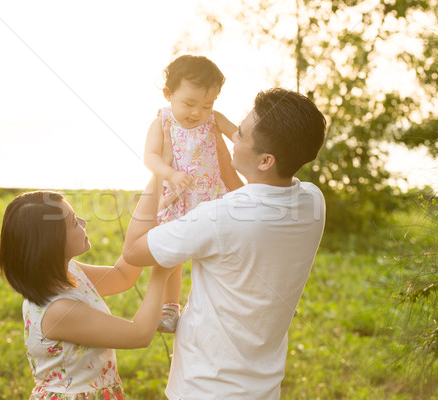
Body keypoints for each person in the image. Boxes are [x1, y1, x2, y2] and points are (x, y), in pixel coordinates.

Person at [124, 88, 327, 399]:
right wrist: (213, 135)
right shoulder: (312, 202)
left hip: (205, 388)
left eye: (241, 134)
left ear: (266, 160)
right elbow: (247, 193)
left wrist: (158, 171)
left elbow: (134, 251)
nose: (234, 137)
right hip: (263, 387)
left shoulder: (220, 218)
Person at [0, 191, 174, 400]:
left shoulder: (67, 271)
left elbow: (123, 276)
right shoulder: (59, 311)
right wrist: (161, 272)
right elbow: (140, 334)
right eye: (74, 222)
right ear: (52, 243)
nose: (84, 222)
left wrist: (153, 217)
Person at [143, 54, 243, 333]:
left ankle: (240, 298)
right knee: (170, 260)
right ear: (168, 94)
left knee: (224, 251)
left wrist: (243, 139)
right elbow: (150, 157)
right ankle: (169, 308)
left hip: (211, 200)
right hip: (177, 199)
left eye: (207, 104)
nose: (198, 112)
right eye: (189, 103)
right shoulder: (163, 122)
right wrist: (171, 173)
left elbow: (239, 137)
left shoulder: (213, 119)